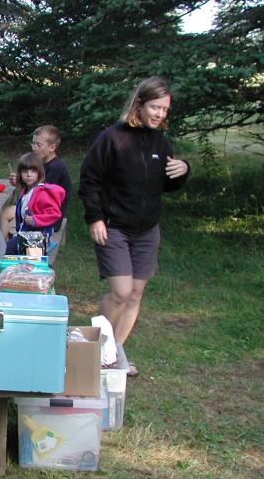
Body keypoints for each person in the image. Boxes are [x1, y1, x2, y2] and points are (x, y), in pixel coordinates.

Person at [79, 77, 190, 376]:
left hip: (146, 230)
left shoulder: (160, 142)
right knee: (121, 291)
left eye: (165, 110)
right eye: (155, 107)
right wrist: (95, 217)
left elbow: (164, 184)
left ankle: (113, 355)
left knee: (136, 293)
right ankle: (93, 350)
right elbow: (89, 179)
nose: (159, 114)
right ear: (139, 104)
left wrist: (183, 171)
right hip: (114, 226)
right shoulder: (112, 138)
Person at [4, 124, 72, 233]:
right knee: (5, 213)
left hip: (47, 219)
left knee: (4, 215)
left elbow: (39, 195)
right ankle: (9, 245)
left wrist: (21, 182)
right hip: (38, 213)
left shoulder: (55, 168)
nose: (34, 148)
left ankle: (5, 248)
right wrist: (21, 181)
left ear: (52, 147)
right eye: (33, 144)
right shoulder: (42, 164)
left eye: (38, 145)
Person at [4, 152, 66, 255]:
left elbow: (54, 214)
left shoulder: (42, 193)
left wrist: (36, 220)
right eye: (25, 171)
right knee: (12, 246)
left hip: (37, 240)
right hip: (27, 235)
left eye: (33, 171)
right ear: (20, 173)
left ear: (40, 173)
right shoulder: (26, 190)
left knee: (11, 247)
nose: (29, 175)